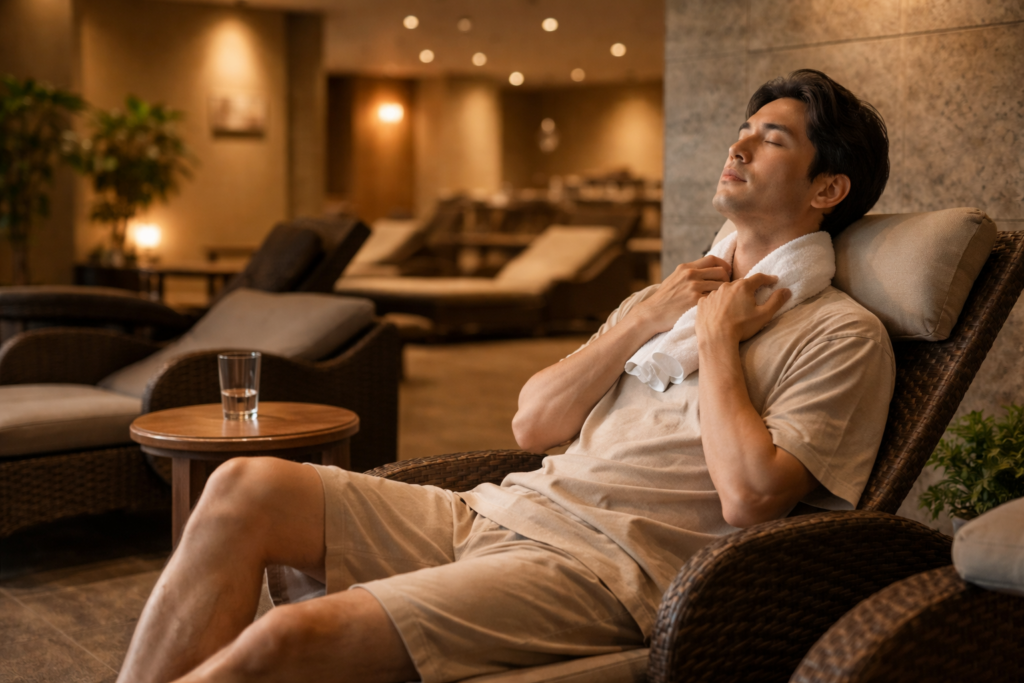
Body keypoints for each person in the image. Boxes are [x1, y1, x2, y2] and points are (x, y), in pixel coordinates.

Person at [118, 69, 894, 683]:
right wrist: (644, 318)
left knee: (286, 636)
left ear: (827, 189)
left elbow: (752, 499)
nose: (740, 147)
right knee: (244, 485)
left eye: (772, 140)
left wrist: (720, 341)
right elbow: (533, 424)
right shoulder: (669, 300)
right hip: (503, 507)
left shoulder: (841, 335)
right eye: (743, 131)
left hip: (602, 569)